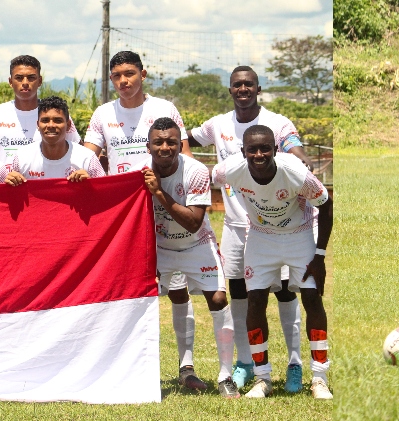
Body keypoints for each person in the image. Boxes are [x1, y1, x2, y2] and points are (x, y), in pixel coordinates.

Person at [185, 65, 313, 392]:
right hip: (235, 226)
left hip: (276, 228)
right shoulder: (218, 124)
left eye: (249, 84)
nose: (243, 89)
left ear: (258, 89)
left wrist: (301, 159)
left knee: (285, 292)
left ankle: (295, 364)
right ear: (230, 90)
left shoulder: (277, 122)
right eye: (237, 85)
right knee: (240, 294)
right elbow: (184, 140)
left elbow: (294, 144)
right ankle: (245, 362)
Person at [212, 125, 333, 400]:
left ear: (275, 150)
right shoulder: (228, 170)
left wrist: (320, 255)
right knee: (255, 301)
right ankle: (262, 378)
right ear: (243, 152)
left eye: (265, 148)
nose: (258, 154)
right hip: (261, 237)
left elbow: (326, 205)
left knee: (312, 299)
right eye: (252, 149)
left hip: (299, 235)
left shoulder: (294, 172)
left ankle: (319, 378)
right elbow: (208, 177)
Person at [141, 117, 239, 398]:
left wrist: (158, 192)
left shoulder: (195, 171)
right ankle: (185, 368)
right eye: (158, 142)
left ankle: (225, 376)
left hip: (196, 244)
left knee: (218, 298)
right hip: (159, 248)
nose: (165, 147)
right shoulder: (139, 171)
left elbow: (194, 222)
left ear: (179, 143)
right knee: (170, 297)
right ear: (149, 145)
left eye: (172, 141)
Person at [82, 51, 186, 174]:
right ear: (111, 79)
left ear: (142, 74)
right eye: (116, 76)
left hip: (159, 190)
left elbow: (185, 153)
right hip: (121, 191)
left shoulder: (166, 109)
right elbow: (87, 159)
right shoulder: (102, 113)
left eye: (129, 74)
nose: (123, 81)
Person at [0, 55, 80, 161]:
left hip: (44, 177)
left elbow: (78, 148)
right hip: (8, 177)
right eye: (19, 78)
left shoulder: (55, 114)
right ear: (10, 82)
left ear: (39, 81)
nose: (25, 83)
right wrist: (5, 161)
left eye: (31, 78)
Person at [4, 97, 105, 185]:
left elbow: (105, 194)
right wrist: (10, 181)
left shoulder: (87, 159)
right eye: (45, 120)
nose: (51, 125)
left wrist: (91, 184)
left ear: (68, 125)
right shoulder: (22, 157)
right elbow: (9, 197)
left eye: (58, 120)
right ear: (38, 125)